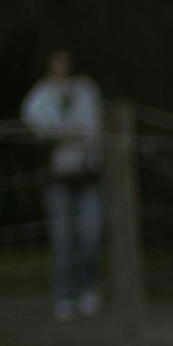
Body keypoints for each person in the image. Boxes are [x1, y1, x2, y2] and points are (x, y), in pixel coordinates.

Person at [20, 49, 108, 317]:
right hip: (57, 175)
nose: (61, 67)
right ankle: (64, 295)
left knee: (90, 234)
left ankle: (87, 289)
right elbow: (35, 122)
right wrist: (63, 133)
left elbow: (94, 128)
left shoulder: (85, 90)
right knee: (63, 238)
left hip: (86, 172)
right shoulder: (42, 95)